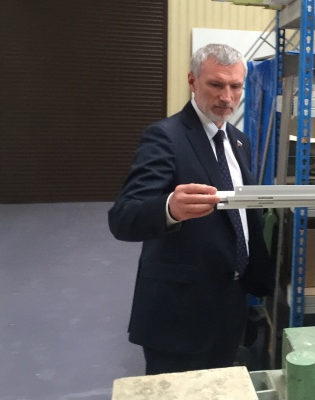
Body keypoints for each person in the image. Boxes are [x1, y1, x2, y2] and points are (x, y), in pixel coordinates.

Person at [108, 43, 274, 375]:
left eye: (236, 86)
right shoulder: (165, 137)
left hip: (230, 304)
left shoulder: (239, 141)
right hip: (179, 313)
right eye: (216, 84)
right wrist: (169, 207)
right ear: (192, 81)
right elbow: (124, 216)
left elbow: (242, 217)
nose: (227, 97)